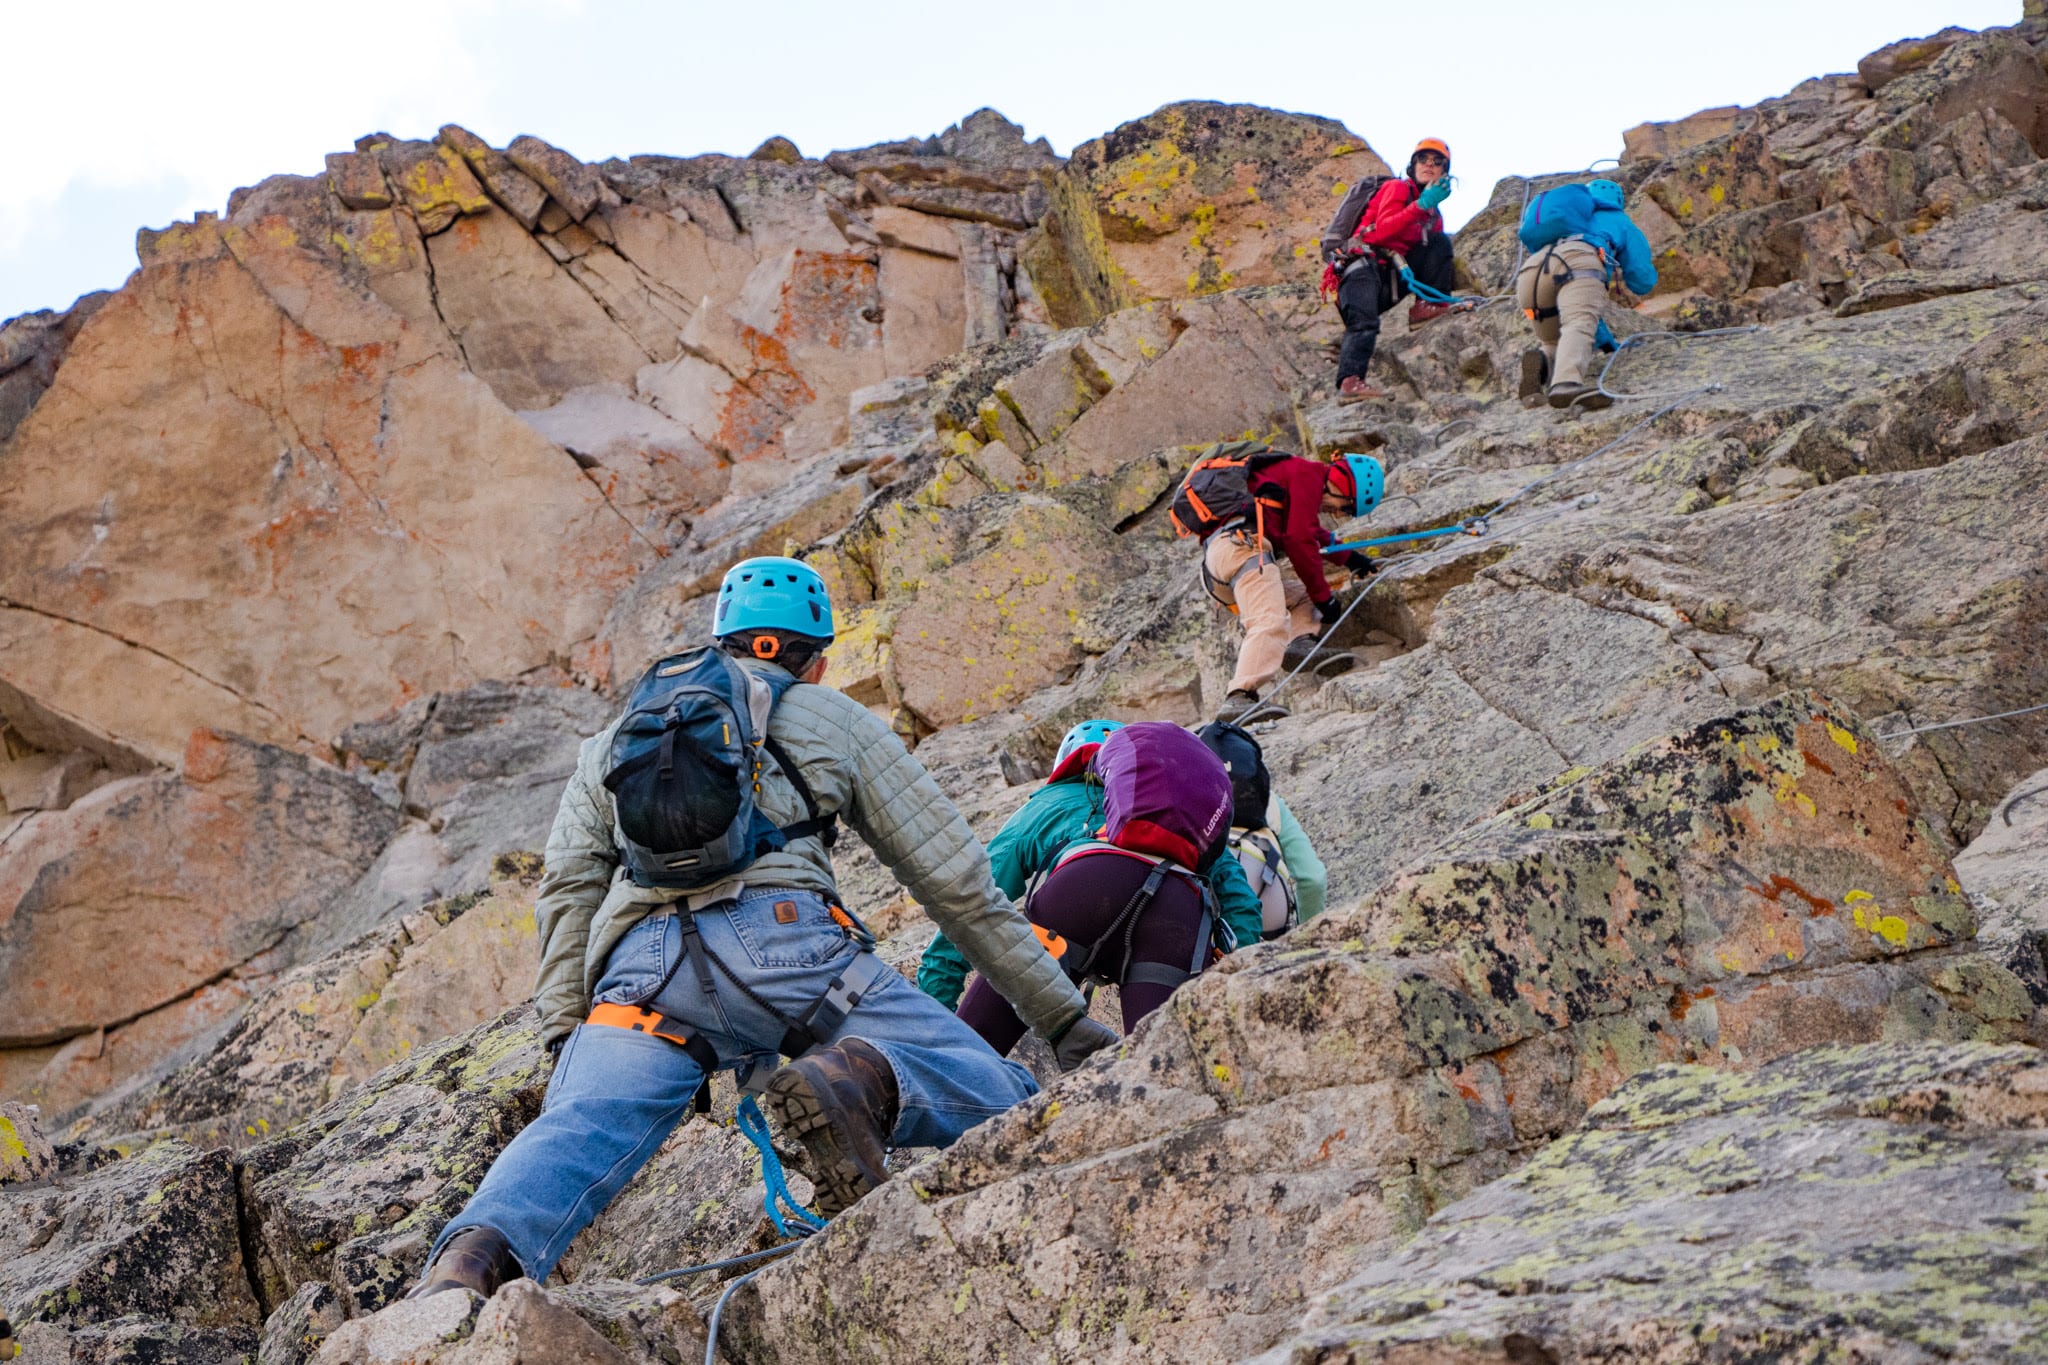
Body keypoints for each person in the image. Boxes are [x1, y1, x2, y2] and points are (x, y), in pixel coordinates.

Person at [409, 556, 1118, 1300]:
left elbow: (566, 889)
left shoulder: (620, 735)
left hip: (641, 977)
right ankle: (863, 1078)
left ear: (725, 639)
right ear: (813, 658)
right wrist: (1063, 1018)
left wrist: (565, 1027)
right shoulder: (829, 716)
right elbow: (956, 883)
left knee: (579, 1128)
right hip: (794, 954)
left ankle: (464, 1273)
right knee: (1008, 1096)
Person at [916, 718, 1269, 1010]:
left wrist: (936, 997)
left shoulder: (1041, 807)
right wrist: (1238, 975)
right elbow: (1240, 899)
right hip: (1173, 913)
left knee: (982, 1040)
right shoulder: (1172, 813)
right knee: (1152, 1056)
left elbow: (973, 900)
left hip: (1077, 899)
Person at [955, 723, 1235, 1052]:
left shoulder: (1046, 803)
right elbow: (1234, 887)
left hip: (1086, 885)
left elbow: (972, 898)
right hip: (1176, 907)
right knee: (1158, 1063)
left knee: (973, 1046)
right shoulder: (1188, 823)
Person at [1207, 451, 1382, 723]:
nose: (1337, 513)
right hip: (1244, 548)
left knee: (1301, 598)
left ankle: (1300, 643)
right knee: (1269, 618)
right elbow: (1299, 540)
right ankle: (1239, 696)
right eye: (1346, 507)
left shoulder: (1295, 478)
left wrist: (1350, 557)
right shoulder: (1308, 474)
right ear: (1346, 487)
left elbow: (1312, 533)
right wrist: (1324, 598)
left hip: (1222, 562)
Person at [1320, 138, 1461, 403]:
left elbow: (1432, 254)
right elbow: (1380, 233)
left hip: (1391, 276)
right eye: (1423, 159)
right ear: (1413, 165)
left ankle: (1428, 305)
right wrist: (1418, 207)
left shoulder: (1433, 214)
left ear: (1444, 171)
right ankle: (1350, 382)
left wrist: (1425, 207)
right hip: (1361, 266)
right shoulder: (1397, 188)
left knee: (1440, 243)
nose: (1429, 165)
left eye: (1437, 161)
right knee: (1365, 323)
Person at [1514, 179, 1657, 411]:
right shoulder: (1619, 220)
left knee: (1553, 339)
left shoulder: (1570, 217)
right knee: (1578, 322)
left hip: (1532, 270)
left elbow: (1593, 322)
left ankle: (1541, 361)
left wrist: (1608, 343)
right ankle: (1566, 384)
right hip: (1578, 260)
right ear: (1619, 201)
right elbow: (1642, 279)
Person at [1196, 721, 1329, 937]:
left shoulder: (1188, 801)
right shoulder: (1272, 804)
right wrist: (1309, 939)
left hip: (1204, 919)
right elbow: (1313, 878)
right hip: (1269, 910)